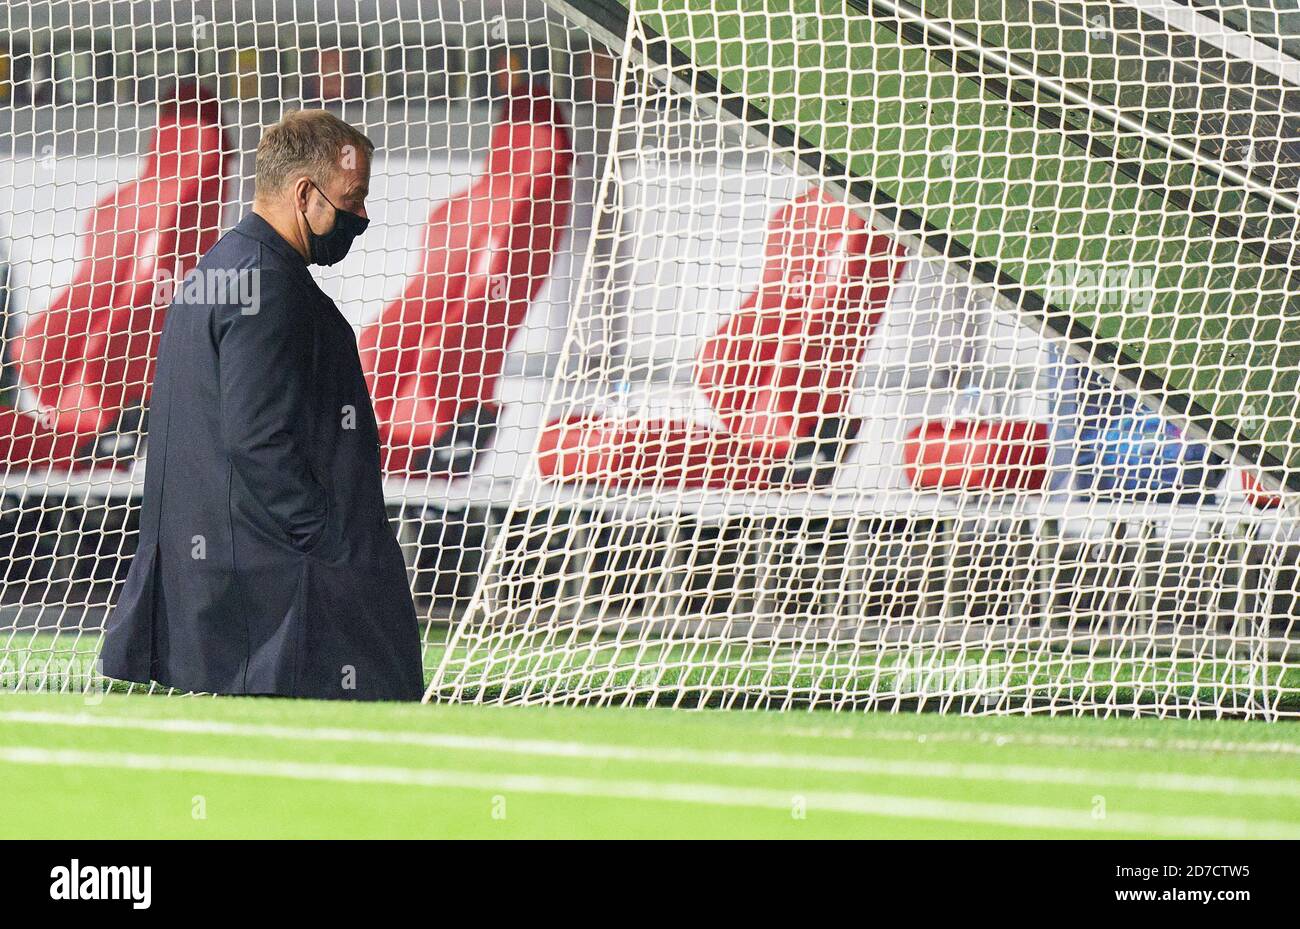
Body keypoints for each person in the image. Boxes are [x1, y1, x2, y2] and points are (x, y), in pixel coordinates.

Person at [101, 110, 424, 701]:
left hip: (237, 594)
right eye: (354, 199)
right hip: (280, 597)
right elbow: (258, 438)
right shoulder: (267, 284)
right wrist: (330, 543)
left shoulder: (221, 269)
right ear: (306, 194)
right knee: (369, 738)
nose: (362, 217)